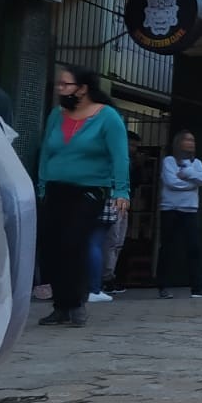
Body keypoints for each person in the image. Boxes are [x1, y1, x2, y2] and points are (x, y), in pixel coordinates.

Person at [37, 66, 130, 327]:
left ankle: (77, 303)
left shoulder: (107, 117)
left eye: (66, 85)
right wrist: (42, 185)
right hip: (56, 188)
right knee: (53, 247)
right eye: (59, 85)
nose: (60, 89)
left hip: (89, 190)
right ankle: (60, 306)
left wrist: (122, 190)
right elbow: (46, 151)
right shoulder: (57, 115)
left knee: (74, 243)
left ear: (82, 88)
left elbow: (120, 156)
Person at [158, 130, 202, 299]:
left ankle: (198, 287)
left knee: (194, 248)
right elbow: (171, 182)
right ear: (178, 142)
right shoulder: (169, 161)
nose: (190, 143)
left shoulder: (197, 163)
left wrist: (187, 174)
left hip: (190, 210)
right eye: (187, 139)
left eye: (192, 139)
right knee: (168, 248)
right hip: (170, 209)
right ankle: (163, 286)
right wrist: (193, 184)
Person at [100, 130, 144, 295]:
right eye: (131, 145)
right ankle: (106, 277)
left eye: (135, 146)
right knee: (111, 240)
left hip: (124, 202)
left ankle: (110, 275)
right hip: (113, 199)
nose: (133, 149)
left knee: (118, 241)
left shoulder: (130, 162)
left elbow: (137, 183)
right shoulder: (114, 158)